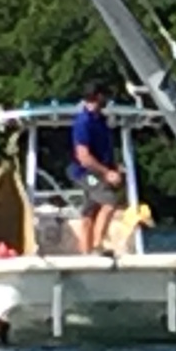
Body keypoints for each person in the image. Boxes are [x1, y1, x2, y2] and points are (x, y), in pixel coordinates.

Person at [68, 81, 124, 255]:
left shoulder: (101, 121)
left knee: (89, 212)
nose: (106, 99)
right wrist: (107, 173)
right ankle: (98, 246)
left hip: (96, 172)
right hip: (85, 173)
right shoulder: (83, 122)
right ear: (98, 96)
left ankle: (86, 254)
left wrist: (115, 168)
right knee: (109, 201)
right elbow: (83, 157)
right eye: (104, 95)